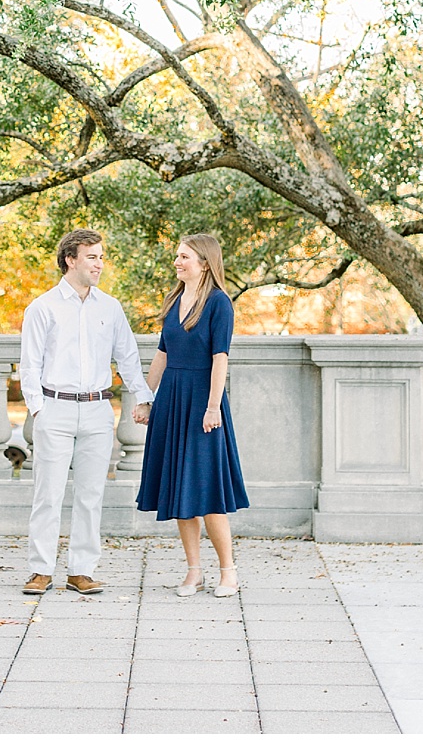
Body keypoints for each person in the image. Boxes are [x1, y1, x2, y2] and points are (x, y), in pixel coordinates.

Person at [19, 228, 153, 595]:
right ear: (70, 259)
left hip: (97, 409)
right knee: (48, 494)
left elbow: (127, 358)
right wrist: (38, 410)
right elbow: (28, 365)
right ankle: (40, 569)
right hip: (55, 409)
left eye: (101, 257)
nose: (99, 264)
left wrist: (143, 397)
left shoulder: (110, 308)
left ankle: (81, 570)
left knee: (91, 494)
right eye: (92, 257)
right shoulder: (43, 307)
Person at [135, 232, 250, 597]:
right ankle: (193, 571)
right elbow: (162, 355)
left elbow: (221, 359)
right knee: (181, 492)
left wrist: (213, 407)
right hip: (171, 398)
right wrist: (145, 398)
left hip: (203, 400)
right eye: (177, 256)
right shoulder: (173, 300)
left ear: (204, 262)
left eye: (184, 256)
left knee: (208, 491)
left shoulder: (219, 304)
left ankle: (228, 572)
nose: (177, 261)